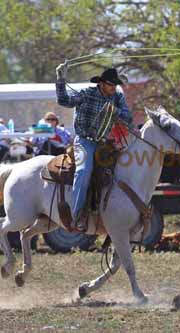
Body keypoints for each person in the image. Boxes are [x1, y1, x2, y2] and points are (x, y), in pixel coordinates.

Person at [55, 62, 133, 231]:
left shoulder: (117, 97)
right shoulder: (86, 94)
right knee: (83, 172)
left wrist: (115, 111)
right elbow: (64, 100)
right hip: (85, 141)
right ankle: (76, 217)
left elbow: (128, 117)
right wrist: (61, 79)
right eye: (111, 84)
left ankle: (115, 214)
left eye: (115, 85)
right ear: (101, 83)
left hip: (105, 143)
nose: (114, 88)